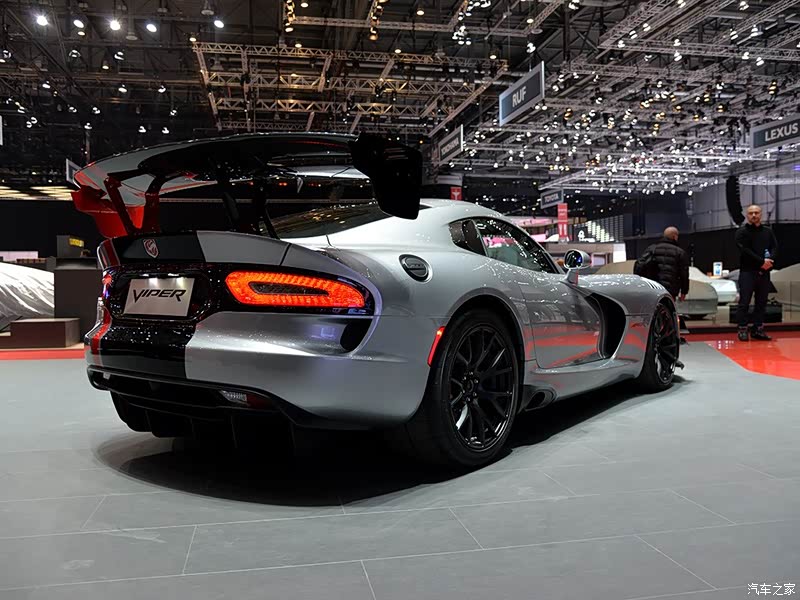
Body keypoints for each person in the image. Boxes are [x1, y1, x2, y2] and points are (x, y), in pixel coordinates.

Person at [735, 204, 778, 341]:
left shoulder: (768, 231)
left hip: (764, 273)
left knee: (761, 302)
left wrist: (770, 260)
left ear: (761, 214)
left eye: (756, 213)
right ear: (747, 215)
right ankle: (742, 328)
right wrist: (761, 262)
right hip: (747, 272)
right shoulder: (741, 232)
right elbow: (745, 250)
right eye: (751, 213)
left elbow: (774, 247)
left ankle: (758, 329)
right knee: (744, 302)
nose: (754, 215)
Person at [634, 226, 690, 303]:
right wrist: (684, 292)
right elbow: (684, 274)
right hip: (670, 291)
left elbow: (640, 266)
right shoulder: (680, 253)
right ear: (675, 236)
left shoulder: (652, 249)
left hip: (653, 288)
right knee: (668, 308)